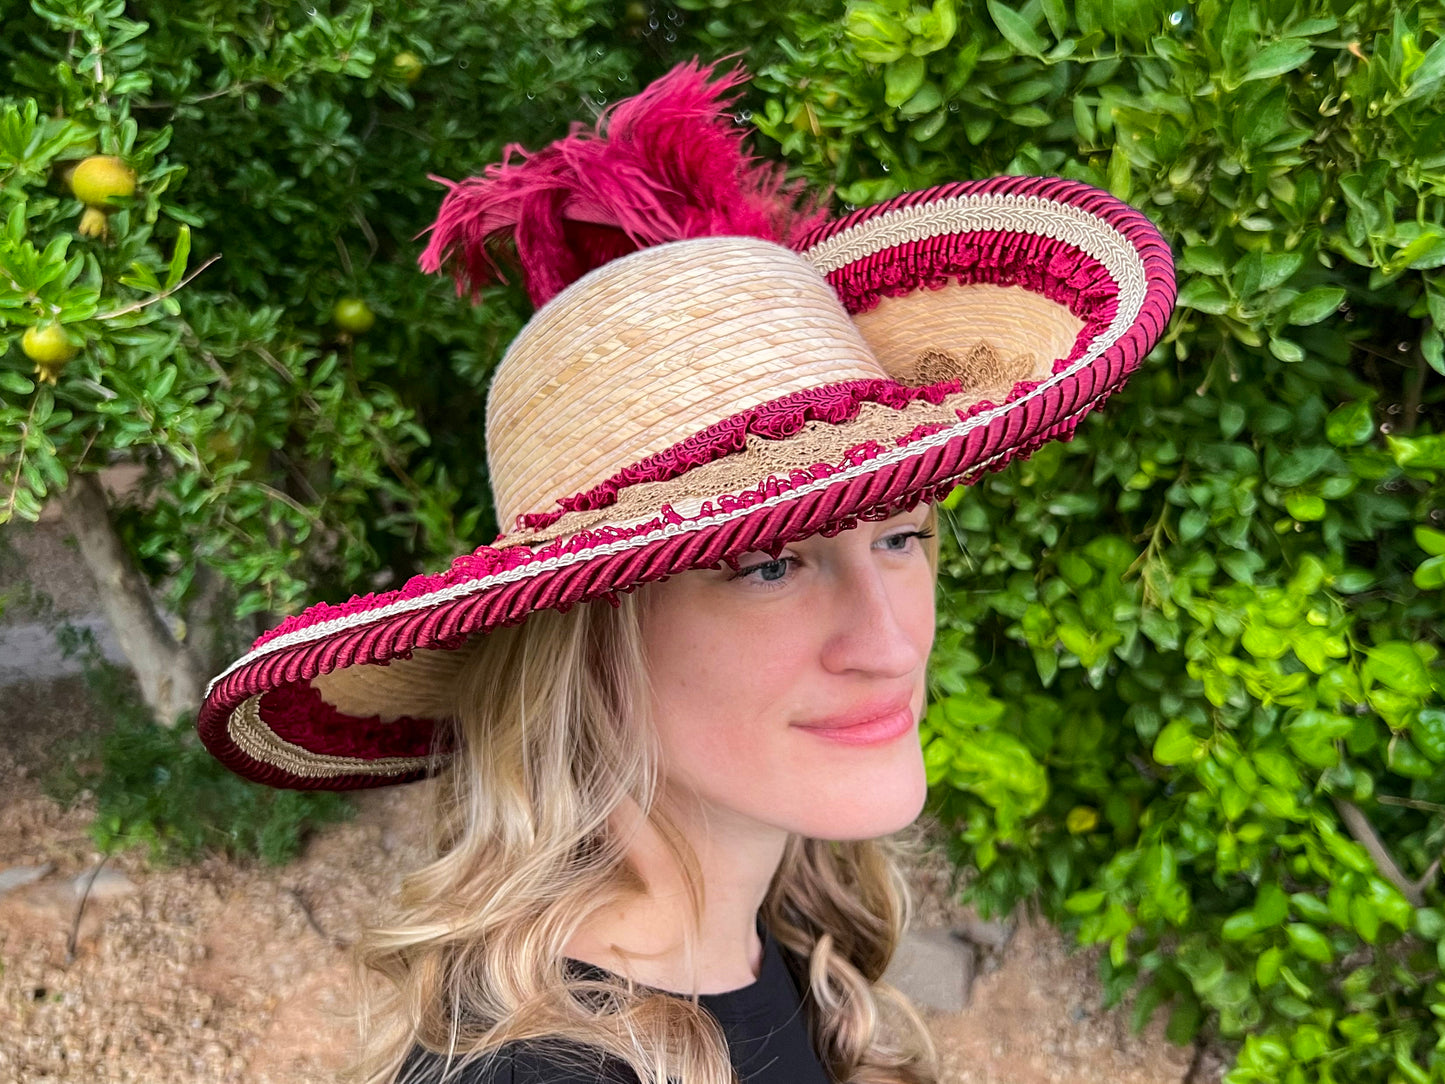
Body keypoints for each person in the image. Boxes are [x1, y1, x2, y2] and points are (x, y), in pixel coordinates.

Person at [197, 60, 1175, 1084]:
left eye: (901, 537)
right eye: (767, 565)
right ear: (583, 645)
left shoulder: (778, 941)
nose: (890, 643)